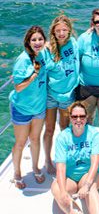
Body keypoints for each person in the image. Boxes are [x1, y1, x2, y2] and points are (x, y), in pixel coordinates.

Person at [9, 25, 47, 189]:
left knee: (35, 139)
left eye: (40, 39)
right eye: (34, 40)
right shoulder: (23, 60)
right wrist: (34, 75)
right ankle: (17, 172)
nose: (37, 42)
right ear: (28, 42)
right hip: (22, 108)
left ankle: (35, 167)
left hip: (39, 106)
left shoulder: (43, 53)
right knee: (20, 142)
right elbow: (17, 87)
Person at [51, 101, 99, 214]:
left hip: (88, 175)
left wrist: (86, 184)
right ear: (70, 118)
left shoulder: (94, 135)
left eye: (82, 116)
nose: (78, 120)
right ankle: (74, 212)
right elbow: (60, 166)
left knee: (91, 188)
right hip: (69, 178)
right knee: (56, 189)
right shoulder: (63, 137)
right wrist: (63, 191)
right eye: (75, 116)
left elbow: (95, 163)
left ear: (86, 118)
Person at [43, 15, 80, 175]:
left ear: (69, 31)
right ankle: (47, 160)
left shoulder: (74, 43)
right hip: (51, 94)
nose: (61, 33)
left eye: (64, 30)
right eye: (58, 30)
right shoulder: (48, 47)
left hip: (68, 94)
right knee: (49, 129)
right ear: (53, 31)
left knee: (65, 128)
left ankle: (64, 159)